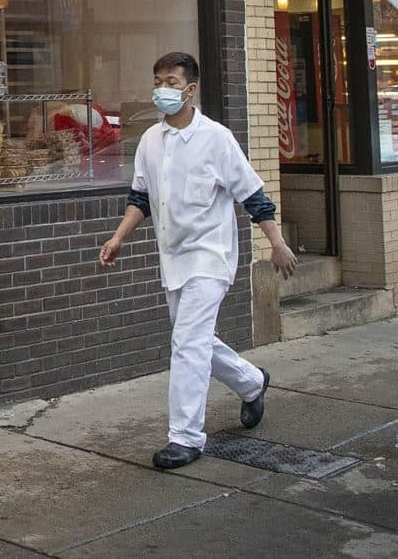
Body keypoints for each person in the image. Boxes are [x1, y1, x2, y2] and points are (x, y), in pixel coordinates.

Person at [98, 51, 298, 470]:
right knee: (196, 340)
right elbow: (140, 197)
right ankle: (252, 381)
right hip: (172, 258)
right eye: (157, 80)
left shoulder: (217, 139)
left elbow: (253, 196)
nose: (161, 89)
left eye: (170, 81)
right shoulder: (151, 141)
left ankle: (185, 438)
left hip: (211, 257)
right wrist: (118, 237)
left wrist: (277, 243)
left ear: (190, 89)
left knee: (187, 343)